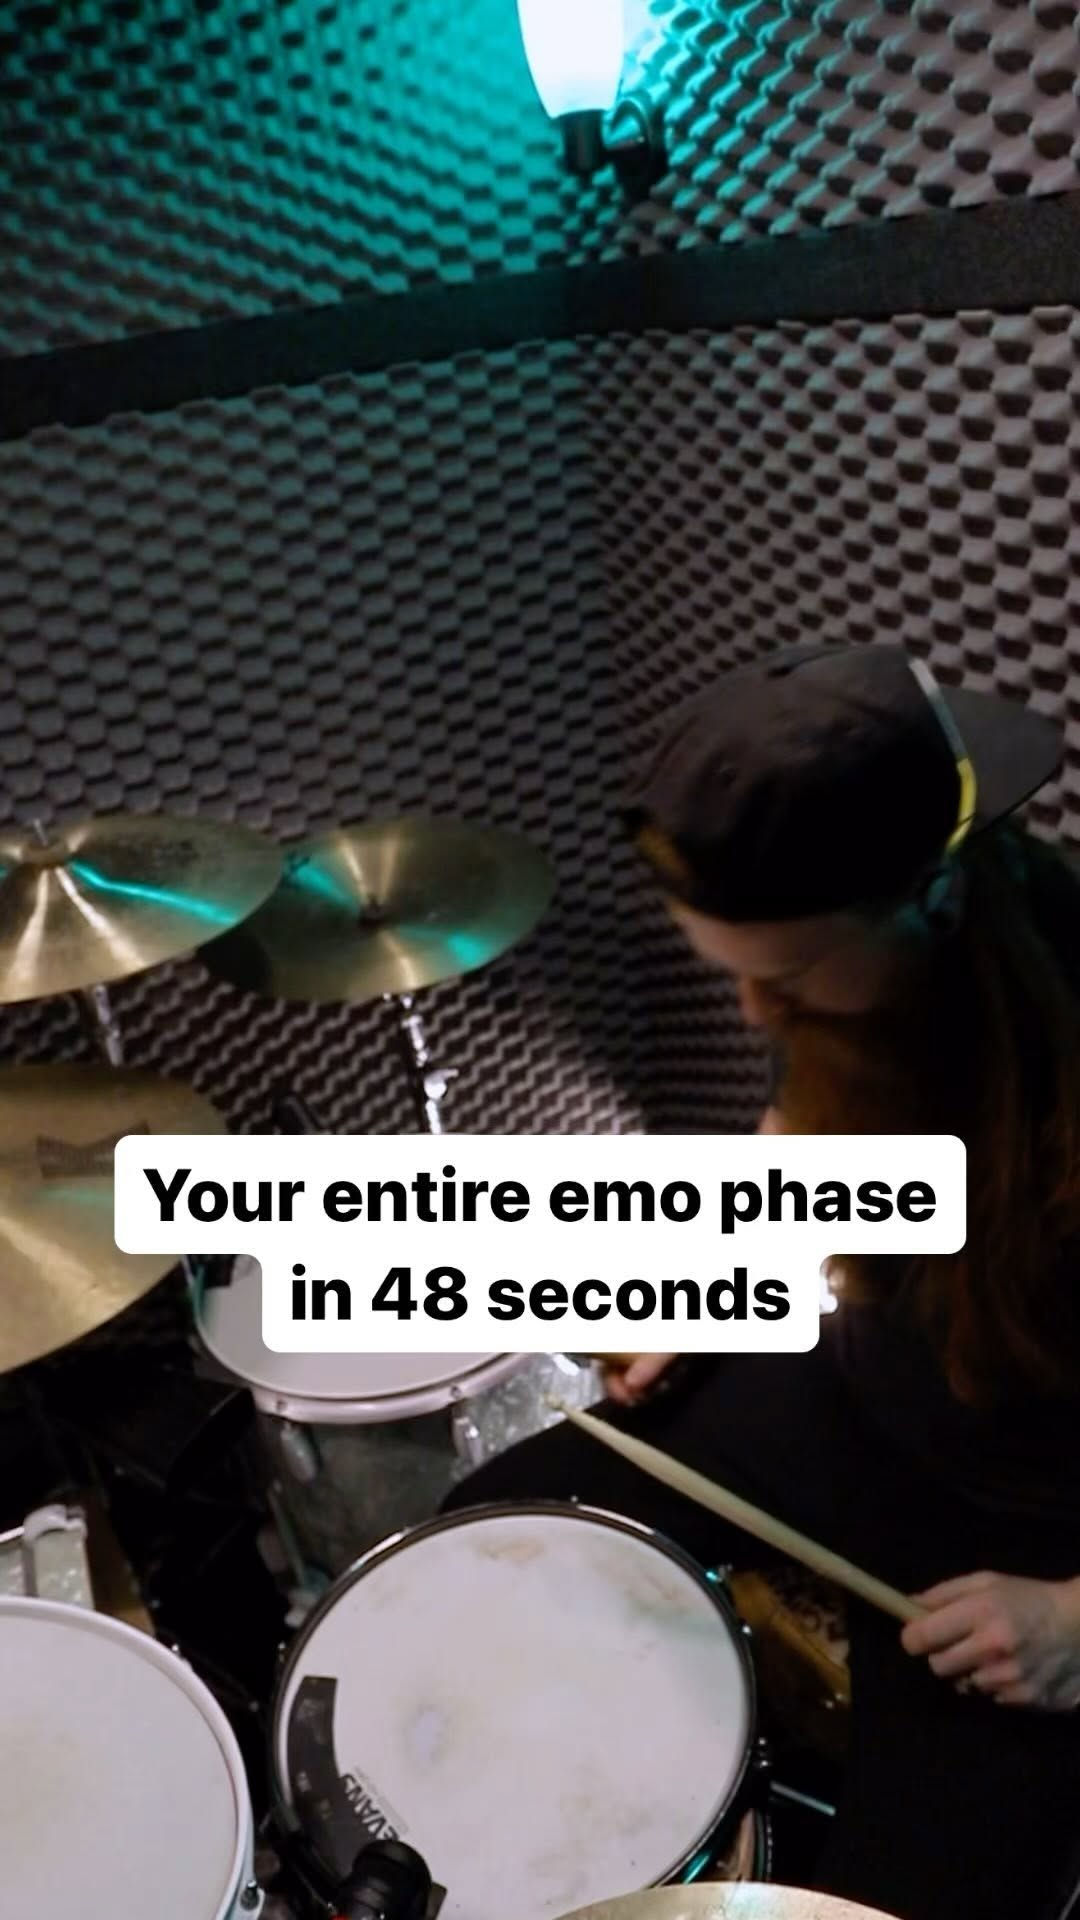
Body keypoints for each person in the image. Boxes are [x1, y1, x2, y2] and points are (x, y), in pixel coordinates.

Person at [444, 644, 1080, 1920]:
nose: (747, 1012)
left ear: (930, 903)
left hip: (1030, 1522)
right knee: (486, 1540)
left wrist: (1074, 1623)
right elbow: (799, 1136)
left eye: (782, 981)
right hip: (855, 1393)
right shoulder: (859, 995)